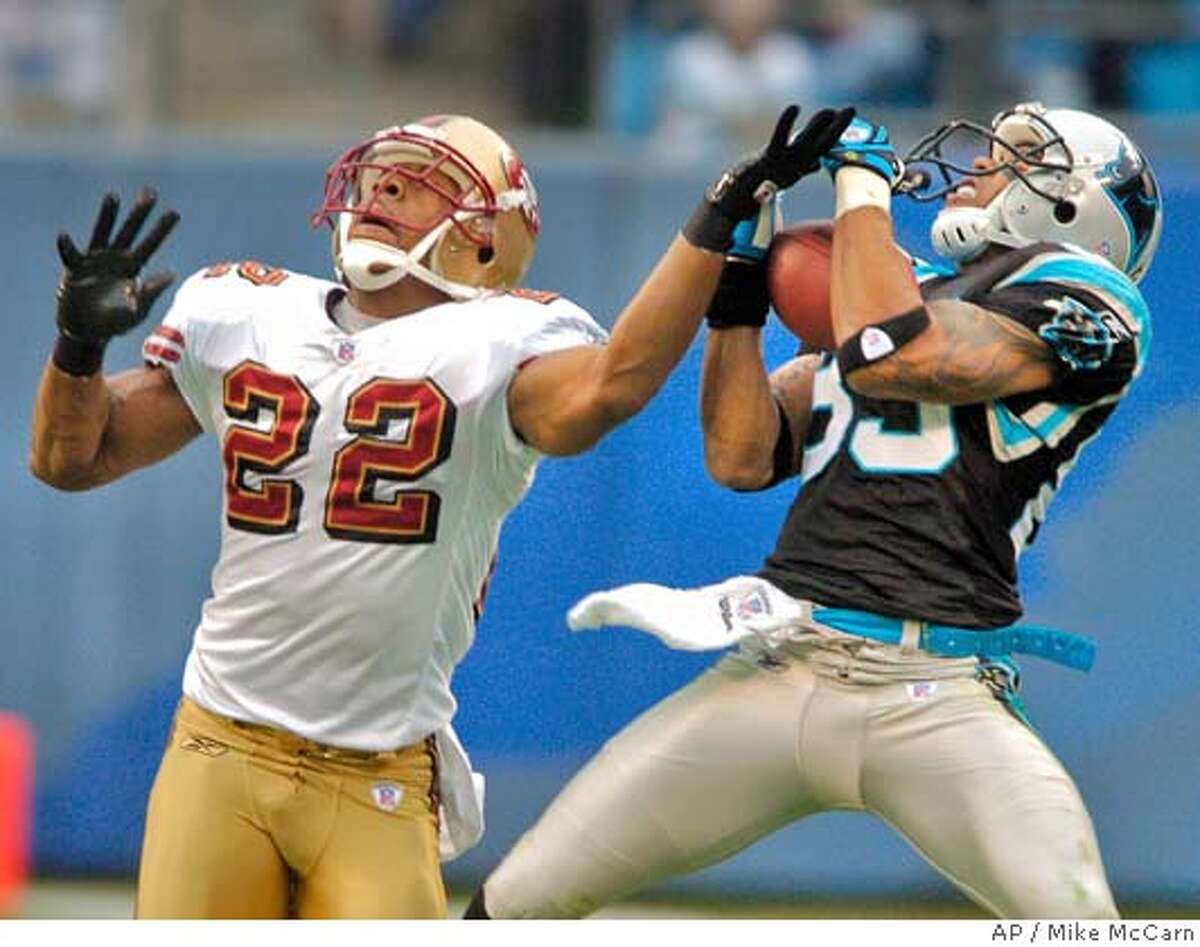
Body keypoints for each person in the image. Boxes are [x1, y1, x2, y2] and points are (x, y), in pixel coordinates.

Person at [28, 107, 853, 918]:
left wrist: (712, 220)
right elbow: (74, 457)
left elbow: (613, 384)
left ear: (486, 237)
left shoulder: (503, 338)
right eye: (379, 171)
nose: (384, 185)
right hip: (220, 742)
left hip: (377, 769)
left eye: (423, 181)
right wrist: (78, 346)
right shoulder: (246, 312)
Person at [465, 101, 1161, 919]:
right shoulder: (898, 292)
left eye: (1015, 157)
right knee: (513, 905)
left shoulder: (1090, 300)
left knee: (1083, 926)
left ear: (1080, 204)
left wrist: (862, 191)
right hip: (785, 663)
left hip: (936, 691)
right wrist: (740, 292)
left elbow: (898, 355)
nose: (978, 167)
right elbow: (742, 451)